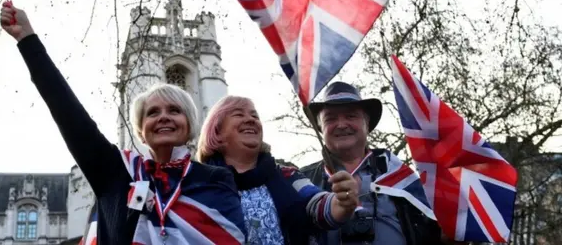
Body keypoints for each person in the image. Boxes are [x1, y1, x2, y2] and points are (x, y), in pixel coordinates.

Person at [0, 1, 246, 245]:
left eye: (174, 110)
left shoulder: (215, 178)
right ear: (141, 129)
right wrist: (28, 41)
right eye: (152, 113)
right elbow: (67, 111)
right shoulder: (116, 172)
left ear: (190, 124)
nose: (163, 117)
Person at [300, 81, 467, 245]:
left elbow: (432, 233)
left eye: (351, 116)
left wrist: (449, 238)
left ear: (367, 124)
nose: (342, 124)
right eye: (330, 119)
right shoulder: (302, 182)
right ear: (320, 128)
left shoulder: (402, 177)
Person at [196, 95, 361, 245]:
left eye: (254, 116)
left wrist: (341, 203)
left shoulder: (288, 175)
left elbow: (316, 203)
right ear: (216, 132)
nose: (250, 120)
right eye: (239, 114)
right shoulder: (198, 184)